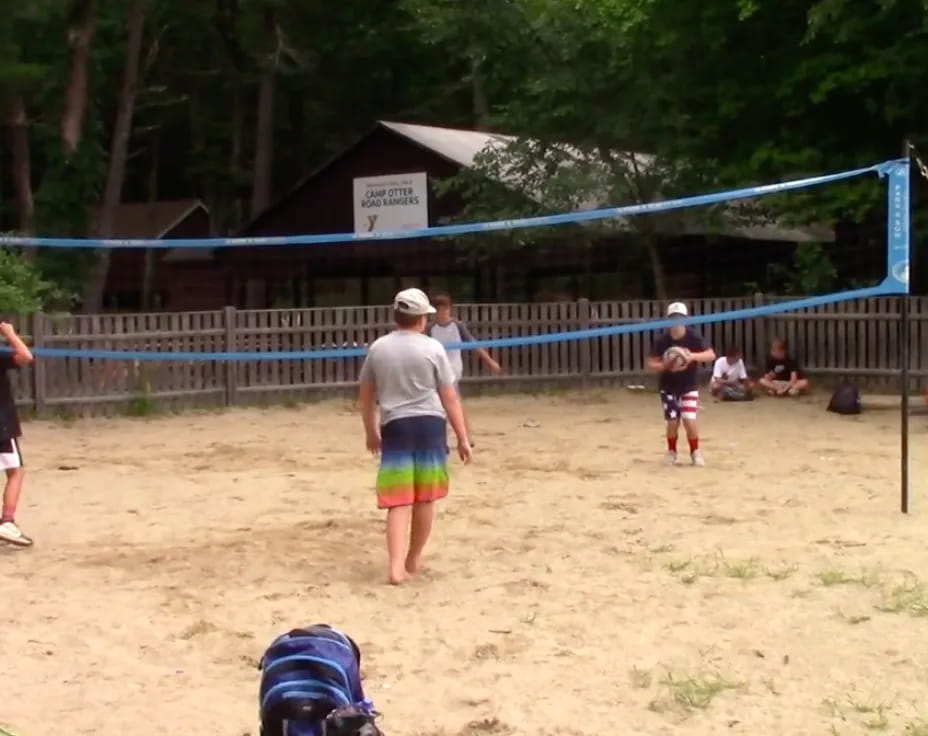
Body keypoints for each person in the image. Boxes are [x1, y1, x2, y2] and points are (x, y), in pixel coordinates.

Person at [358, 288, 471, 585]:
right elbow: (450, 397)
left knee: (398, 501)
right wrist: (462, 437)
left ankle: (395, 567)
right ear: (422, 318)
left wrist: (370, 431)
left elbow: (366, 396)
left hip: (396, 425)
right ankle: (413, 558)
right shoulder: (433, 349)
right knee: (426, 498)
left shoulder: (378, 349)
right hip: (430, 425)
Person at [647, 302, 716, 466]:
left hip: (689, 386)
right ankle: (671, 451)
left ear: (685, 319)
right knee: (672, 421)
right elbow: (651, 363)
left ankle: (695, 452)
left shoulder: (694, 337)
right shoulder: (662, 340)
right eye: (673, 318)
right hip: (668, 387)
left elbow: (711, 354)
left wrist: (691, 356)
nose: (676, 321)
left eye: (679, 317)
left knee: (689, 419)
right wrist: (664, 366)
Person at [427, 294, 501, 444]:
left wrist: (490, 361)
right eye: (440, 309)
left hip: (453, 369)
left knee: (453, 402)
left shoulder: (458, 326)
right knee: (442, 404)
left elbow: (473, 344)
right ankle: (454, 437)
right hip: (436, 370)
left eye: (446, 308)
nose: (443, 312)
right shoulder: (430, 328)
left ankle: (465, 436)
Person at [0, 320, 35, 547]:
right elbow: (25, 356)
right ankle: (8, 522)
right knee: (16, 471)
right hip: (1, 425)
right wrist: (11, 334)